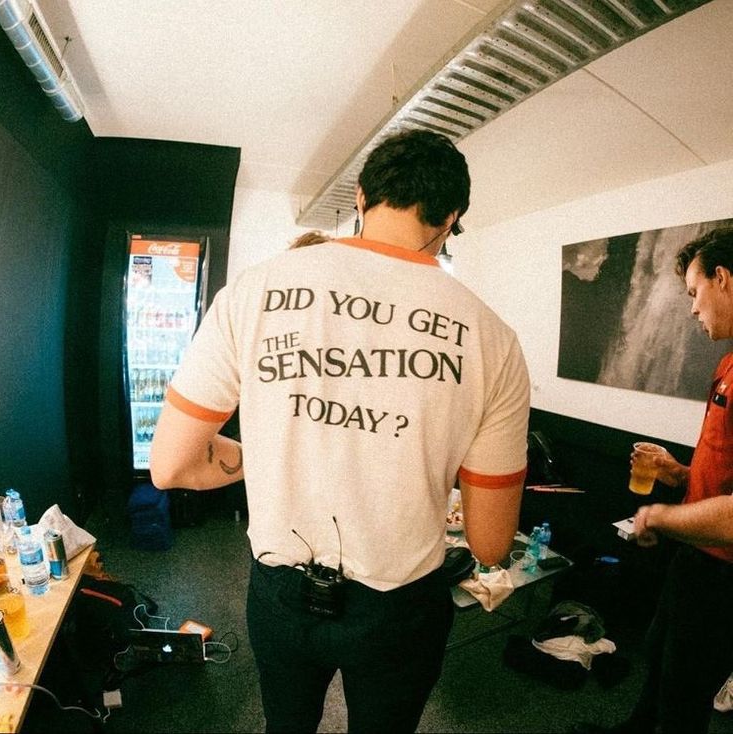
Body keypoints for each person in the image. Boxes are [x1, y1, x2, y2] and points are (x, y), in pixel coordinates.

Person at [150, 129, 530, 733]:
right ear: (450, 218)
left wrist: (264, 457)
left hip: (280, 591)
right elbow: (489, 545)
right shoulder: (493, 340)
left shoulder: (254, 289)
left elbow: (169, 466)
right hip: (400, 608)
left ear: (360, 196)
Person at [576, 227, 733, 734]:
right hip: (696, 552)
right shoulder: (729, 362)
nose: (691, 309)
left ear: (723, 278)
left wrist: (659, 515)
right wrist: (678, 473)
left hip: (723, 568)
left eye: (694, 292)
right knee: (660, 654)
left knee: (685, 690)